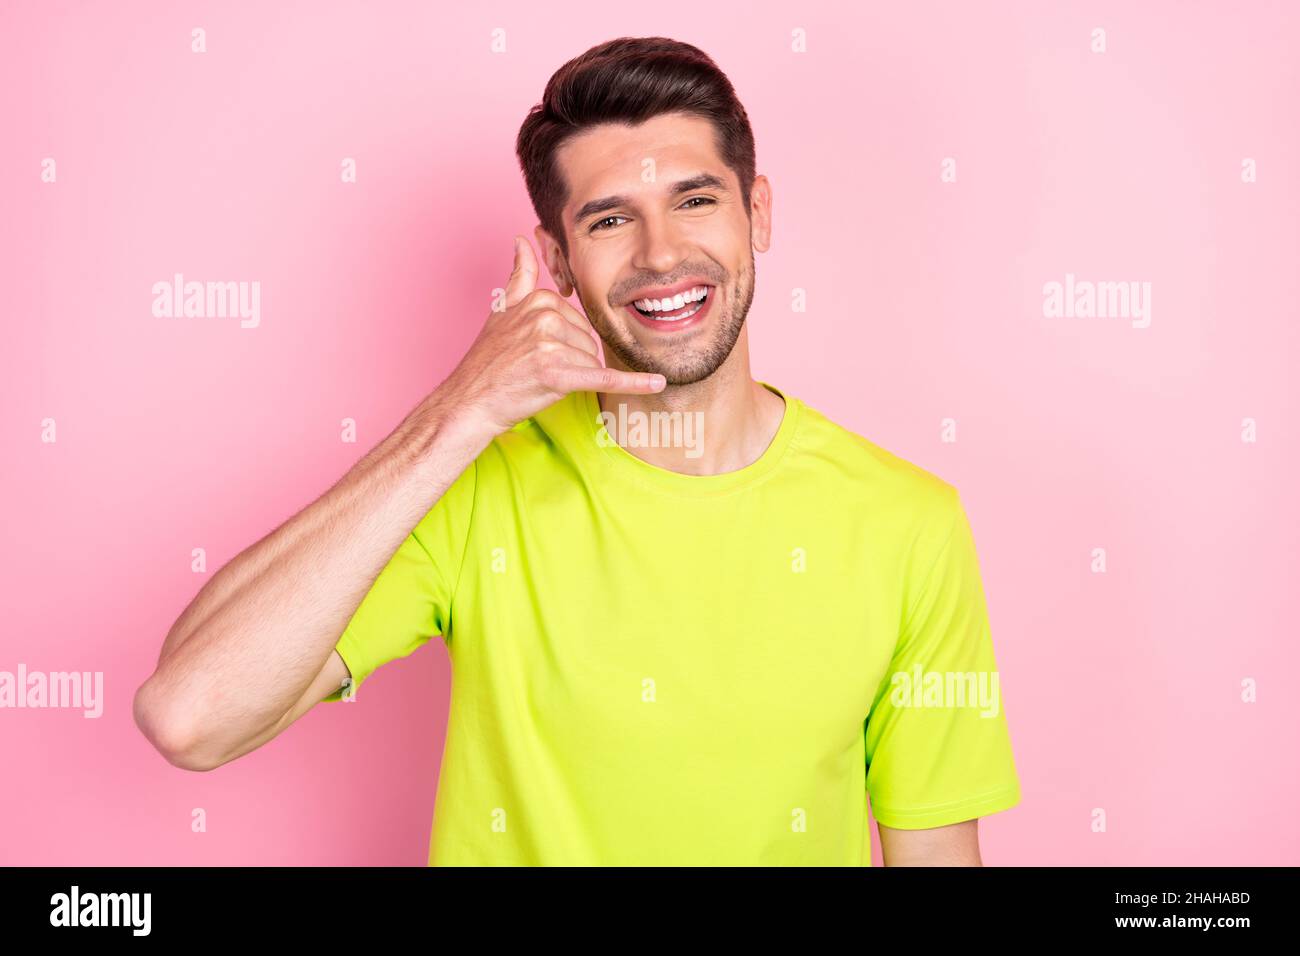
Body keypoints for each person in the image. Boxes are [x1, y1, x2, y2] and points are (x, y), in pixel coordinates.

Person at [134, 36, 1021, 866]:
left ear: (757, 213)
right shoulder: (478, 483)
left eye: (696, 200)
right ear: (557, 262)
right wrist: (457, 412)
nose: (663, 254)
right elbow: (189, 716)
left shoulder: (910, 524)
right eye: (609, 221)